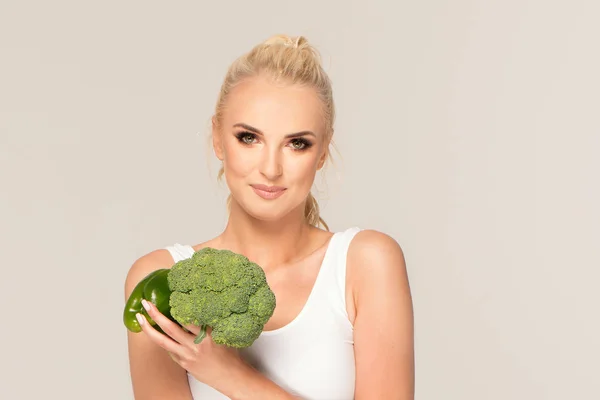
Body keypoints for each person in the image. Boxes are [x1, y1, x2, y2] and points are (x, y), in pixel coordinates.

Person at [124, 34, 415, 400]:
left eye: (298, 143)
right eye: (249, 138)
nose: (271, 168)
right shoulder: (165, 281)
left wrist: (230, 375)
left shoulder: (364, 264)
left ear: (322, 152)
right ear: (217, 137)